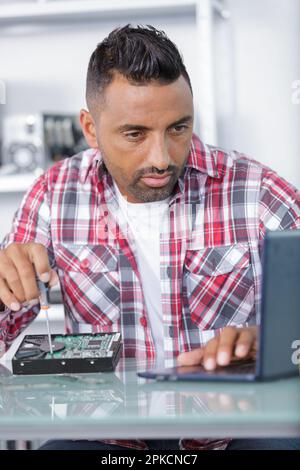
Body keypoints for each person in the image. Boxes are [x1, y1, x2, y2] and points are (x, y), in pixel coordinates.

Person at [0, 25, 299, 451]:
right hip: (107, 442)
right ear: (90, 128)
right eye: (135, 134)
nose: (161, 157)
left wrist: (274, 344)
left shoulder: (256, 191)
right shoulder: (54, 194)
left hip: (232, 436)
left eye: (179, 128)